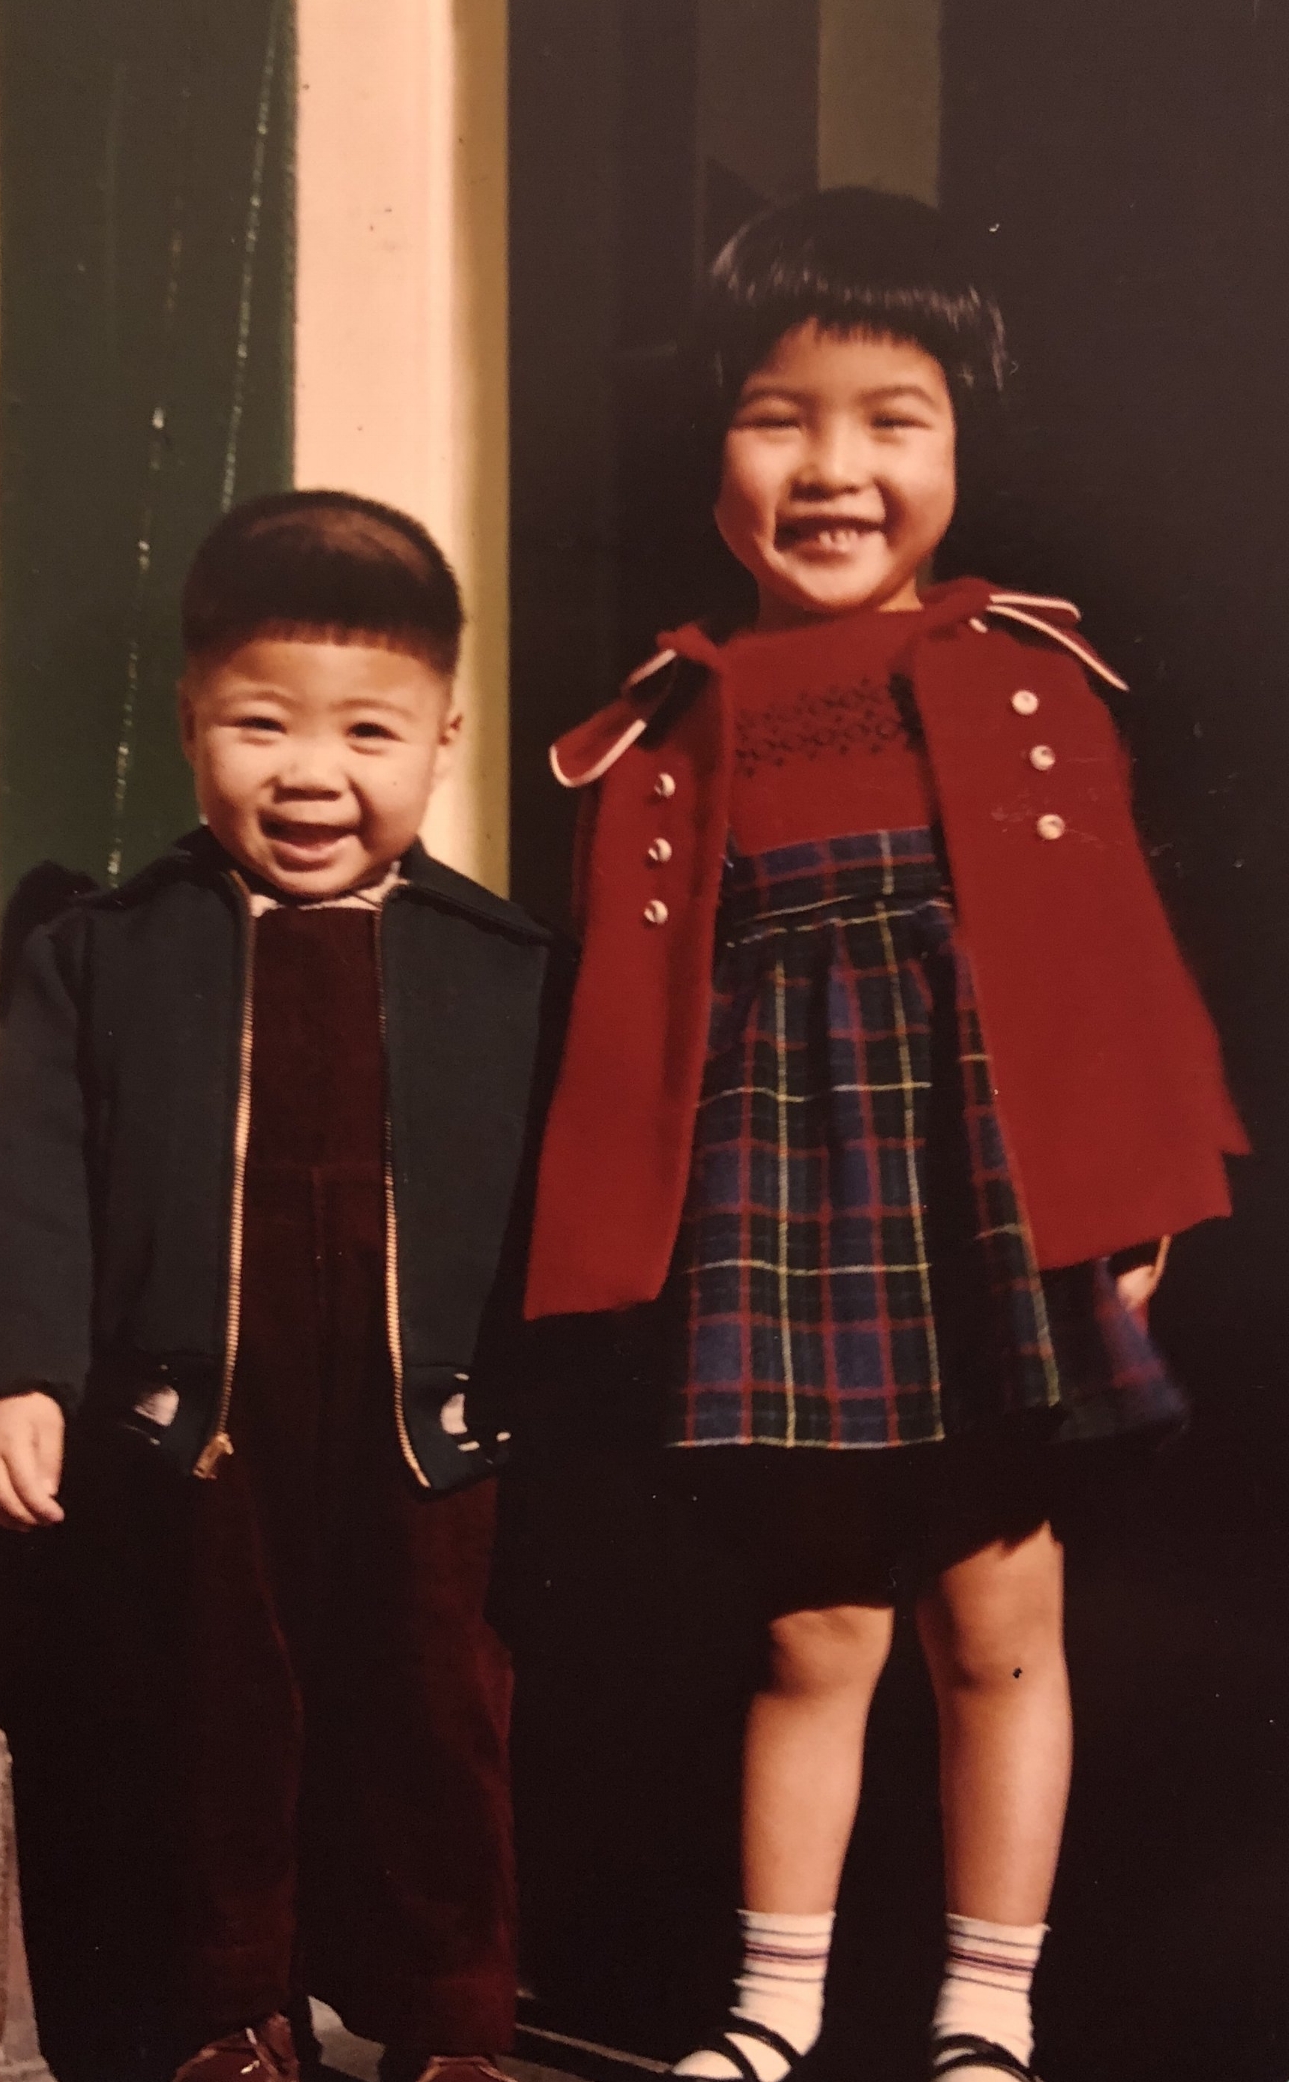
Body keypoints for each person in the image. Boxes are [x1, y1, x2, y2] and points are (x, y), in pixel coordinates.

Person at [522, 190, 1246, 2082]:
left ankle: (986, 2013)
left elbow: (1114, 960)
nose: (834, 465)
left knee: (1000, 1610)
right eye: (781, 415)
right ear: (713, 456)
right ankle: (773, 2008)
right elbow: (622, 1028)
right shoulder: (662, 730)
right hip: (780, 1211)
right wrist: (629, 1239)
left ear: (958, 444)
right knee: (815, 1623)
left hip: (985, 1190)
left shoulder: (1026, 680)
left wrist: (1145, 1183)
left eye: (890, 416)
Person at [0, 491, 570, 2082]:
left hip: (438, 1425)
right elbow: (29, 1177)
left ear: (444, 735)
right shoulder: (107, 951)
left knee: (439, 1716)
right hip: (197, 1424)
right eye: (260, 722)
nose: (311, 772)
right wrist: (13, 1368)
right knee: (221, 1718)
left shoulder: (503, 967)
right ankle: (232, 2015)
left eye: (369, 730)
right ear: (191, 719)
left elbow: (568, 1209)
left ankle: (452, 2019)